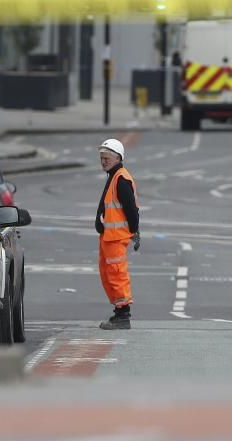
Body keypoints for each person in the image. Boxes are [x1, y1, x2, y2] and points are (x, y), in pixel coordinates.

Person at [95, 138, 140, 330]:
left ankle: (123, 315)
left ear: (118, 158)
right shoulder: (113, 176)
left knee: (117, 274)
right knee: (107, 274)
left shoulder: (121, 178)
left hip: (117, 236)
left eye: (107, 158)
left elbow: (131, 209)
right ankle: (119, 311)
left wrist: (134, 231)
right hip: (109, 236)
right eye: (102, 158)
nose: (103, 161)